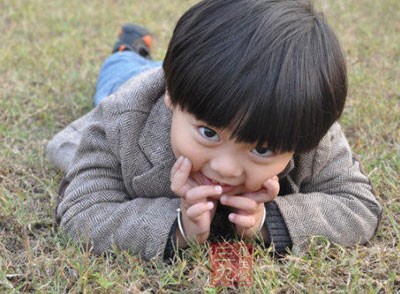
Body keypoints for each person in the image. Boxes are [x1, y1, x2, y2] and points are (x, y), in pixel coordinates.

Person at [47, 0, 382, 261]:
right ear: (172, 98)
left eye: (261, 150)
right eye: (208, 133)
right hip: (137, 82)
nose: (225, 168)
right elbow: (82, 211)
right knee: (120, 69)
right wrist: (179, 225)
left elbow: (358, 206)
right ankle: (127, 47)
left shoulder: (302, 123)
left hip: (201, 89)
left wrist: (267, 222)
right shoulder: (124, 117)